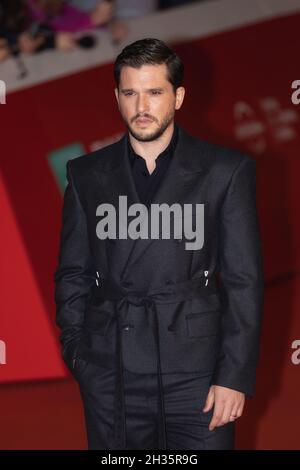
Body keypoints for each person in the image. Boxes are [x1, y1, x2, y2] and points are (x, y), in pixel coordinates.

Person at [54, 37, 264, 450]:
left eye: (154, 92)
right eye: (130, 93)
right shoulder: (86, 174)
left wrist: (233, 376)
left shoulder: (225, 171)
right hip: (112, 368)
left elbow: (244, 280)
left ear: (178, 96)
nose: (141, 107)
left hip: (197, 372)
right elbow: (72, 271)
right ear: (117, 97)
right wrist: (78, 352)